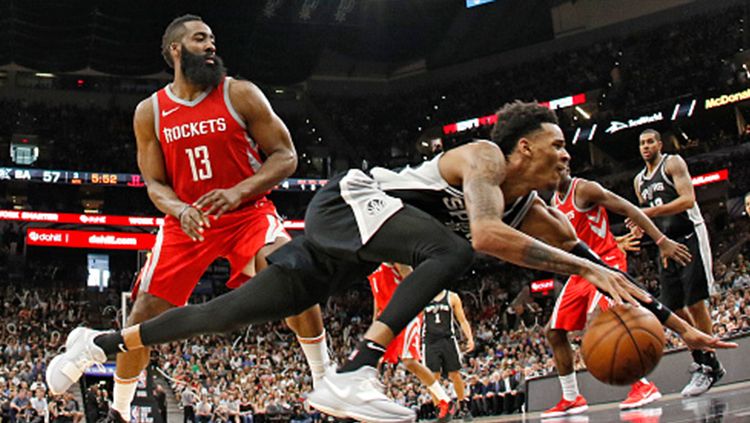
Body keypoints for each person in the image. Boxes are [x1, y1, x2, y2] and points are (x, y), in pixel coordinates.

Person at [47, 101, 734, 423]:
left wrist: (680, 325)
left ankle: (96, 344)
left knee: (226, 313)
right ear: (521, 147)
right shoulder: (485, 160)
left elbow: (598, 262)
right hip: (346, 206)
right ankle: (356, 371)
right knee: (454, 247)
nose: (565, 155)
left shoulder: (535, 208)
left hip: (355, 242)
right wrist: (581, 268)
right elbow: (489, 238)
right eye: (555, 145)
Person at [87, 14, 329, 423]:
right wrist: (180, 209)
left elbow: (286, 156)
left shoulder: (241, 94)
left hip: (246, 214)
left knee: (293, 273)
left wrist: (238, 191)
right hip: (187, 224)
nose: (212, 46)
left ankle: (327, 382)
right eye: (201, 39)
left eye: (213, 39)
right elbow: (155, 185)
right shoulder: (151, 112)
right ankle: (119, 412)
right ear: (176, 51)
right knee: (142, 316)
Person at [542, 169, 692, 417]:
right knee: (554, 332)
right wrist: (616, 237)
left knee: (603, 321)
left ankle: (644, 385)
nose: (561, 165)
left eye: (564, 160)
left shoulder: (584, 189)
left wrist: (661, 240)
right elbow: (577, 237)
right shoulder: (553, 202)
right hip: (581, 269)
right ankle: (572, 398)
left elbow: (629, 209)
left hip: (607, 263)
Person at [634, 129, 724, 396]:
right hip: (667, 244)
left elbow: (688, 199)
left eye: (650, 141)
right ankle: (709, 364)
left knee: (695, 301)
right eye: (642, 143)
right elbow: (650, 220)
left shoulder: (672, 163)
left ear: (660, 144)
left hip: (690, 235)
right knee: (671, 308)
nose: (646, 146)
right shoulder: (639, 181)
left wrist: (647, 212)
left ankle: (706, 365)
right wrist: (657, 239)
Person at [367, 263, 456, 422]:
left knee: (409, 361)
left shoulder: (393, 255)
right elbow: (377, 295)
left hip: (407, 313)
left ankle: (445, 401)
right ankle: (370, 409)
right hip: (388, 317)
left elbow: (416, 282)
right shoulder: (371, 263)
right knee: (373, 358)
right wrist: (375, 320)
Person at [422, 290, 474, 420]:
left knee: (454, 374)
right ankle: (440, 408)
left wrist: (470, 338)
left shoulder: (452, 296)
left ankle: (463, 406)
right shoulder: (422, 297)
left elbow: (462, 320)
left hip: (447, 339)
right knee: (433, 376)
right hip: (430, 340)